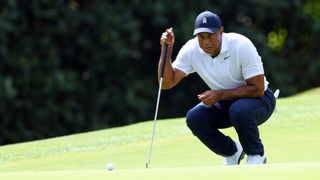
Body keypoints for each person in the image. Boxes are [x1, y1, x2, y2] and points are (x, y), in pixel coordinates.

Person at [158, 10, 276, 165]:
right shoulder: (192, 49)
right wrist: (166, 49)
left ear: (221, 31)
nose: (205, 42)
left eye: (210, 36)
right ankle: (233, 152)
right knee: (195, 118)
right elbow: (166, 83)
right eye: (201, 37)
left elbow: (258, 89)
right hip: (227, 102)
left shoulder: (240, 45)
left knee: (239, 109)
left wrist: (220, 94)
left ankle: (256, 154)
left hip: (260, 100)